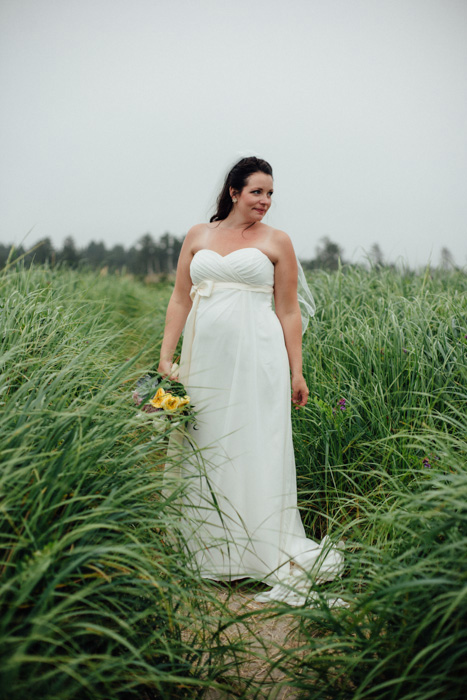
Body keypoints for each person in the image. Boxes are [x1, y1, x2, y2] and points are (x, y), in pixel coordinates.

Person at [158, 157, 343, 606]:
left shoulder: (277, 241)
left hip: (261, 358)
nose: (266, 201)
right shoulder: (198, 236)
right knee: (207, 440)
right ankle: (209, 551)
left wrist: (297, 370)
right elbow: (181, 298)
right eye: (258, 191)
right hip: (204, 359)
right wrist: (167, 355)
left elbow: (289, 311)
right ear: (234, 192)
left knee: (256, 442)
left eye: (271, 193)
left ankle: (261, 548)